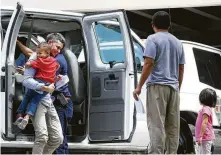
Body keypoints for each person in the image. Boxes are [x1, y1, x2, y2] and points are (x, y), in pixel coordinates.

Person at [133, 11, 185, 154]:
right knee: (173, 126)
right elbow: (181, 68)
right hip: (173, 88)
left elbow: (148, 63)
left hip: (157, 86)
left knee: (157, 124)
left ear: (153, 25)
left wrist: (138, 87)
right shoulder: (177, 42)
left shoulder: (152, 39)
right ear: (169, 25)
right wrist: (177, 87)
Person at [21, 33, 73, 154]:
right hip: (42, 98)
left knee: (58, 139)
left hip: (52, 100)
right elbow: (28, 79)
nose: (59, 51)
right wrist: (43, 86)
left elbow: (47, 77)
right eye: (58, 47)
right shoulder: (38, 58)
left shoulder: (55, 60)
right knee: (44, 137)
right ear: (50, 43)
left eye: (60, 49)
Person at [14, 42, 60, 130]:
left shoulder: (40, 61)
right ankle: (27, 117)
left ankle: (19, 114)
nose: (38, 55)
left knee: (27, 97)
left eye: (40, 53)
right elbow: (57, 67)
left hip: (38, 82)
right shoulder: (54, 61)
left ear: (47, 53)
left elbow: (30, 64)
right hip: (48, 84)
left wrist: (27, 65)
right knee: (35, 101)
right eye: (37, 53)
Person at [195, 88, 216, 154]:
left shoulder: (206, 109)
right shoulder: (205, 109)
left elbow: (204, 122)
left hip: (204, 138)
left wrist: (200, 136)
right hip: (203, 138)